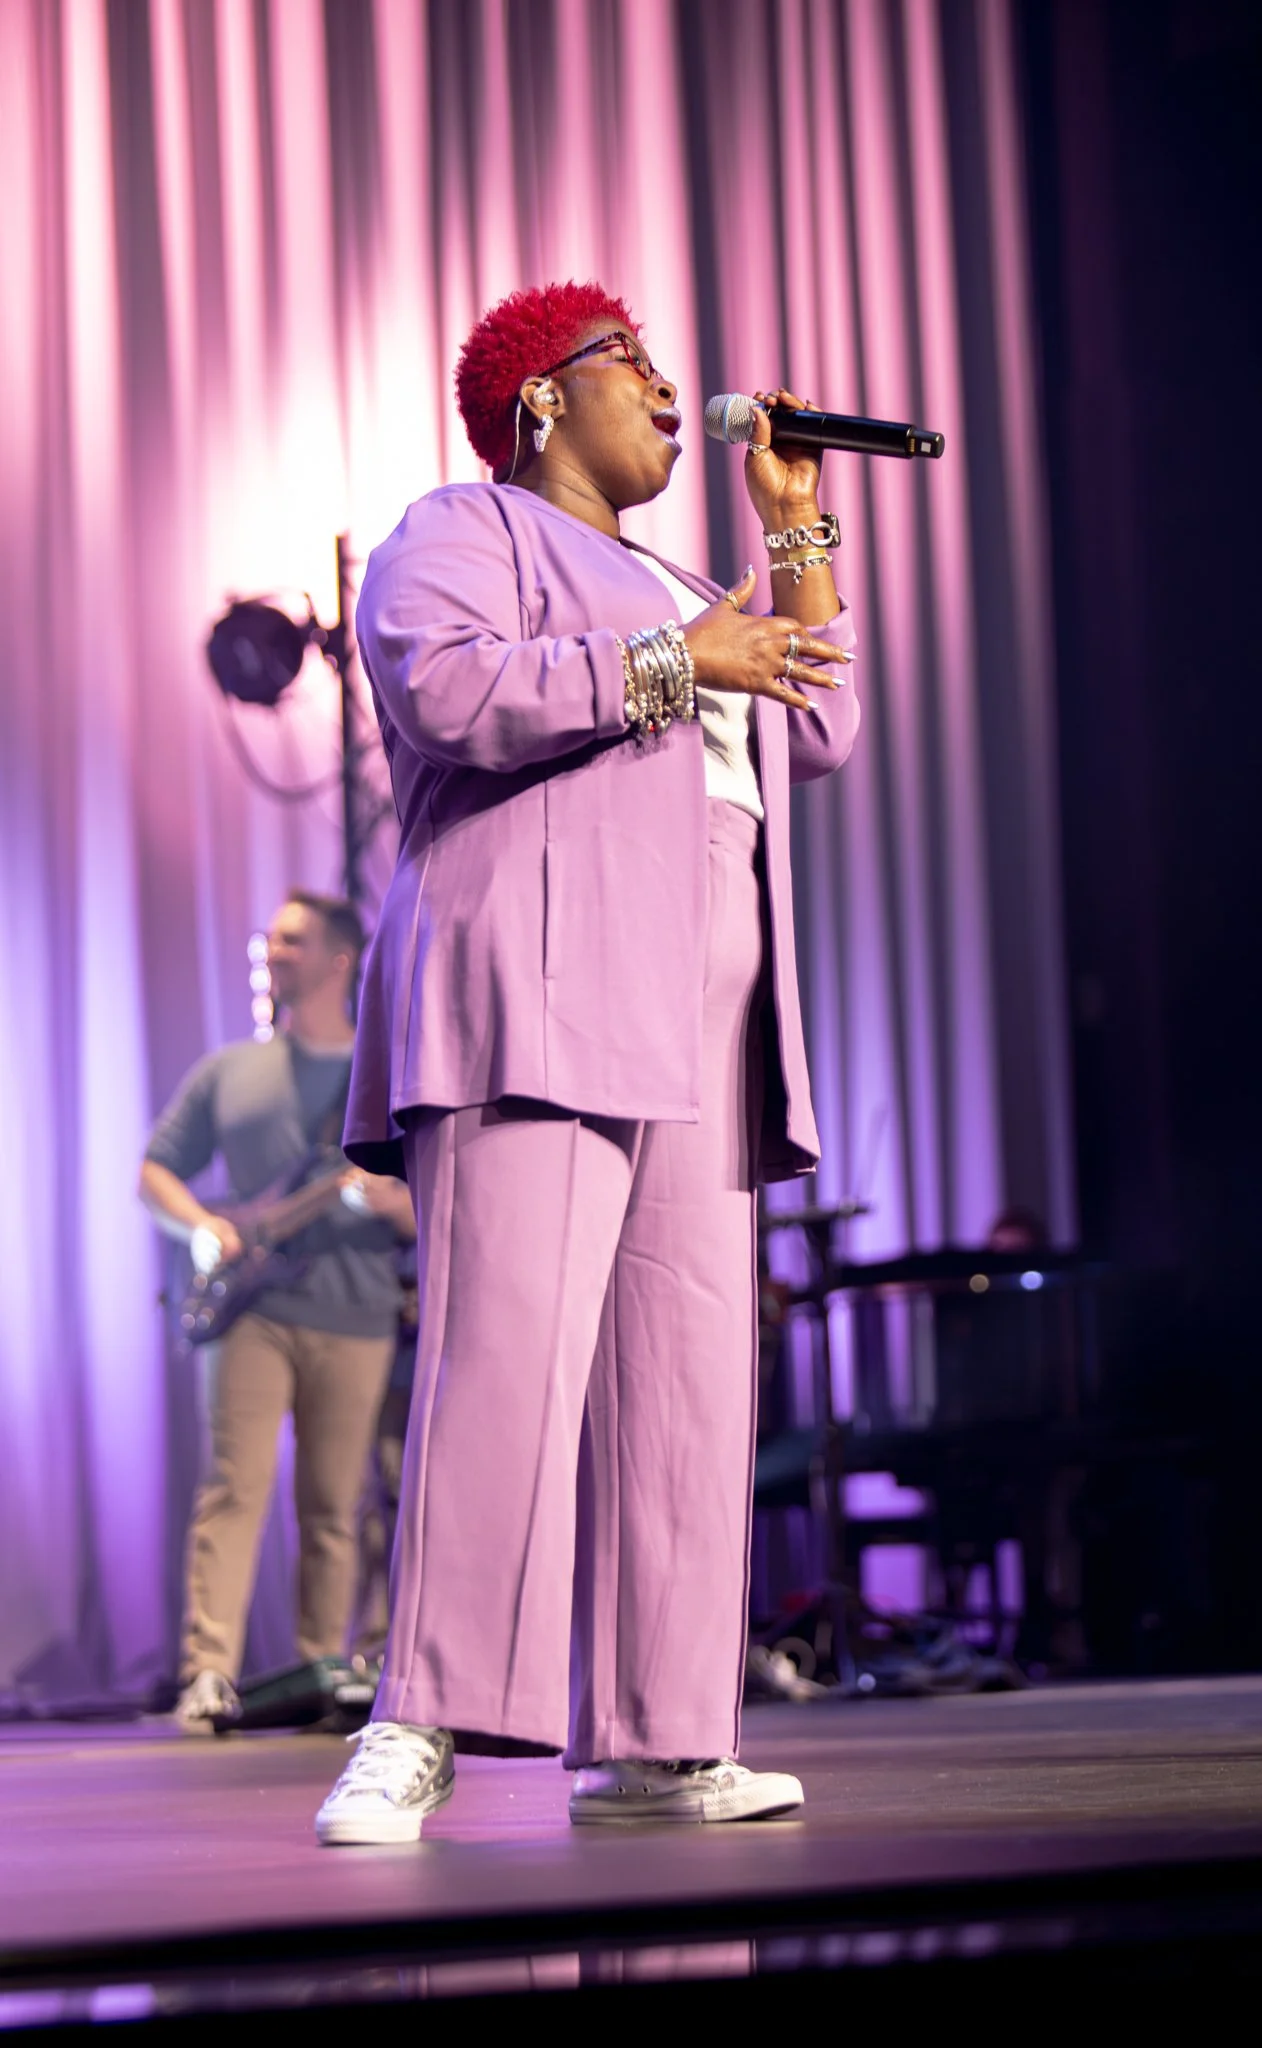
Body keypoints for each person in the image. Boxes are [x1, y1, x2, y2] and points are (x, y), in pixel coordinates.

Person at [314, 281, 859, 1844]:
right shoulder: (462, 529)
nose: (675, 392)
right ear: (541, 398)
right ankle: (417, 1719)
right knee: (508, 1359)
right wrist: (678, 666)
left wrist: (794, 532)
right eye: (636, 365)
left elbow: (821, 727)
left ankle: (661, 1738)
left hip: (706, 994)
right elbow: (445, 688)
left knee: (686, 1376)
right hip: (546, 969)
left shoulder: (690, 572)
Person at [140, 890, 416, 1730]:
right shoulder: (229, 1071)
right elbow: (154, 1171)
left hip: (360, 1314)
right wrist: (200, 1230)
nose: (273, 950)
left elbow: (433, 1202)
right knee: (234, 1486)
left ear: (340, 959)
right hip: (252, 1315)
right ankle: (207, 1673)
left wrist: (388, 1206)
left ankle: (317, 1673)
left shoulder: (392, 1069)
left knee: (336, 1507)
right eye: (271, 939)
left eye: (292, 939)